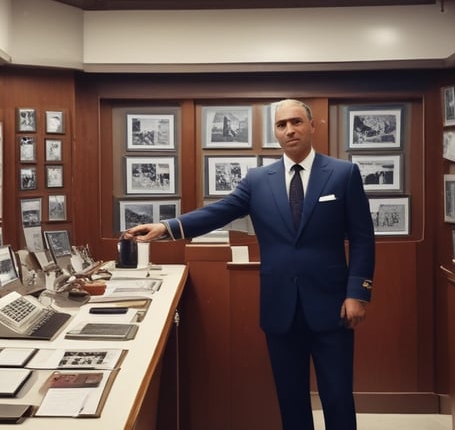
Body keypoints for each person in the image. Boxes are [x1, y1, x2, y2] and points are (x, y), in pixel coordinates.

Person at [124, 99, 375, 430]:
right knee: (290, 399)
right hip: (279, 308)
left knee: (338, 396)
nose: (290, 130)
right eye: (282, 125)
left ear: (312, 126)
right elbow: (218, 212)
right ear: (276, 132)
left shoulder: (343, 174)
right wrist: (166, 228)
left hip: (332, 305)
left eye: (297, 122)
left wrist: (358, 292)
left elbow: (362, 238)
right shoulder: (258, 180)